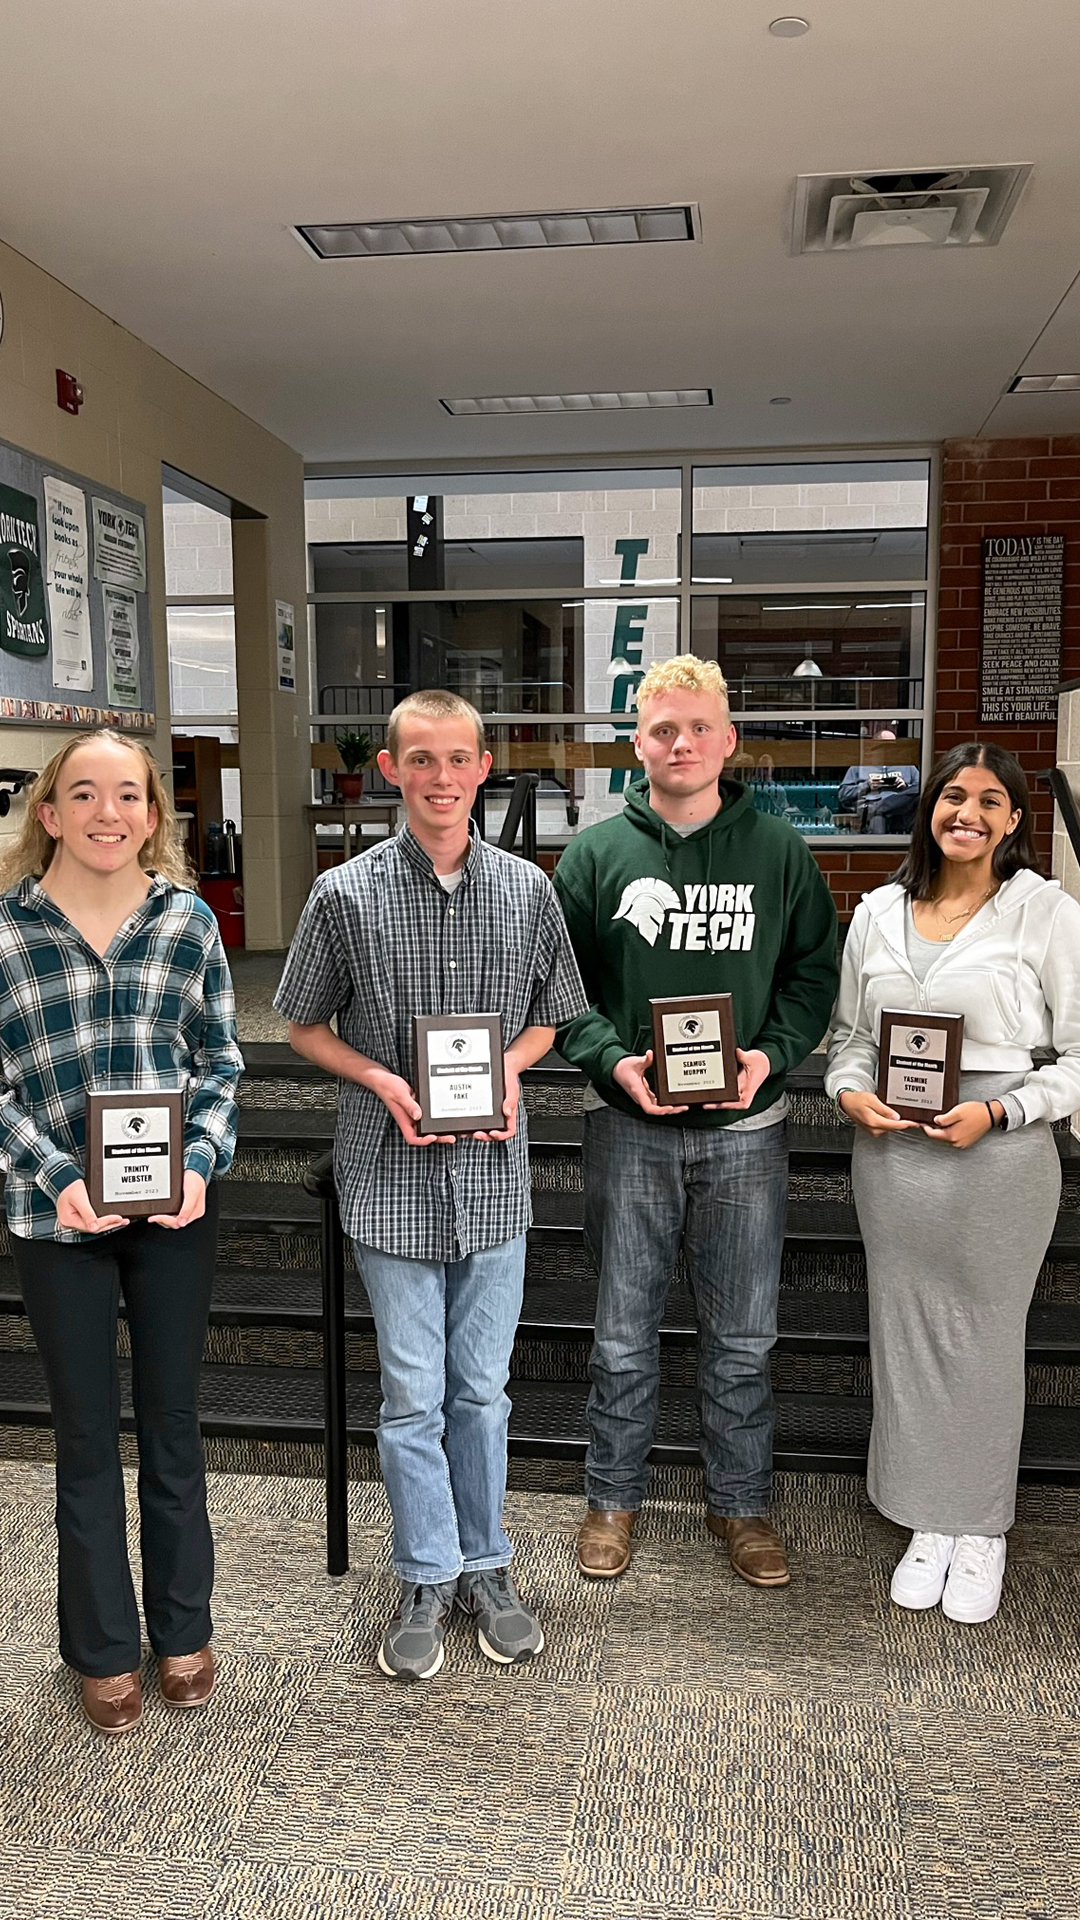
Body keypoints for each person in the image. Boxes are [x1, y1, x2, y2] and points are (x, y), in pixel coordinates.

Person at [275, 690, 585, 1681]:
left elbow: (555, 1015)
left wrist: (507, 1072)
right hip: (389, 1179)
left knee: (481, 1395)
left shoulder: (529, 891)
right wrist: (376, 1077)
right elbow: (302, 1026)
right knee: (413, 1397)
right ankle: (425, 1573)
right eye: (422, 759)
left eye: (459, 758)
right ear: (391, 771)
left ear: (484, 766)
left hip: (493, 1178)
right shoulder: (344, 895)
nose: (442, 776)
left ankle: (487, 1567)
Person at [552, 655, 838, 1587]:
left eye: (699, 728)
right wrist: (612, 1062)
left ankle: (742, 1506)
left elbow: (810, 975)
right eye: (663, 729)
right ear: (638, 742)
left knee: (745, 1335)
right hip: (628, 1126)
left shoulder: (779, 852)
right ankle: (613, 1498)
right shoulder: (596, 855)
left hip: (747, 1133)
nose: (681, 744)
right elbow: (563, 990)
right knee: (622, 1332)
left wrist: (770, 1057)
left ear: (728, 740)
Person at [0, 730, 241, 1731]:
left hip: (173, 1208)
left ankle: (183, 1630)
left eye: (129, 795)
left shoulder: (188, 925)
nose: (108, 813)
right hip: (54, 1217)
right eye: (85, 793)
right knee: (87, 1435)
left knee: (174, 1424)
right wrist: (56, 1175)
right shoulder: (6, 934)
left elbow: (222, 1064)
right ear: (48, 812)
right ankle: (101, 1649)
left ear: (152, 815)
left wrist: (198, 1159)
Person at [825, 743, 1080, 1624]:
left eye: (988, 799)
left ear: (1013, 819)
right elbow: (852, 1037)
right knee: (903, 1331)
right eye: (951, 796)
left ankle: (981, 1528)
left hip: (997, 1149)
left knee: (984, 1336)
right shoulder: (879, 913)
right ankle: (927, 1519)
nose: (966, 812)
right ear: (927, 809)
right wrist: (847, 1091)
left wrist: (1004, 1112)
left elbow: (1079, 1058)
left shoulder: (1043, 911)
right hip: (896, 1152)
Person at [837, 729, 920, 834]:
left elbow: (921, 790)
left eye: (892, 746)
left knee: (919, 789)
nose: (889, 750)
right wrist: (866, 785)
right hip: (871, 812)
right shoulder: (859, 767)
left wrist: (905, 786)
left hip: (901, 811)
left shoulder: (908, 766)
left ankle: (881, 807)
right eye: (885, 746)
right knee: (877, 817)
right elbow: (843, 794)